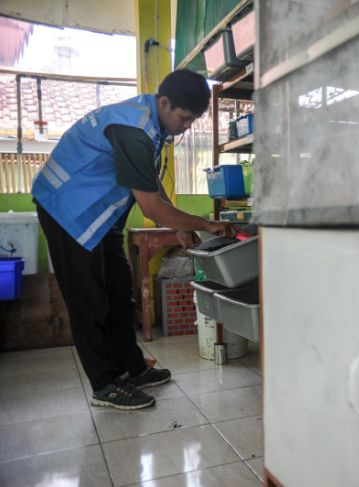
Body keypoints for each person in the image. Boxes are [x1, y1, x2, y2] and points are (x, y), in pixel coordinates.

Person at [32, 69, 235, 410]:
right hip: (65, 209)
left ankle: (133, 368)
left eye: (191, 121)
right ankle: (104, 384)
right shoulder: (133, 127)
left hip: (98, 217)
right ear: (165, 102)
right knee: (89, 300)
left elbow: (151, 184)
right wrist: (206, 223)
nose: (185, 127)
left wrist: (182, 227)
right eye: (184, 119)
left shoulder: (150, 124)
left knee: (118, 289)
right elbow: (150, 205)